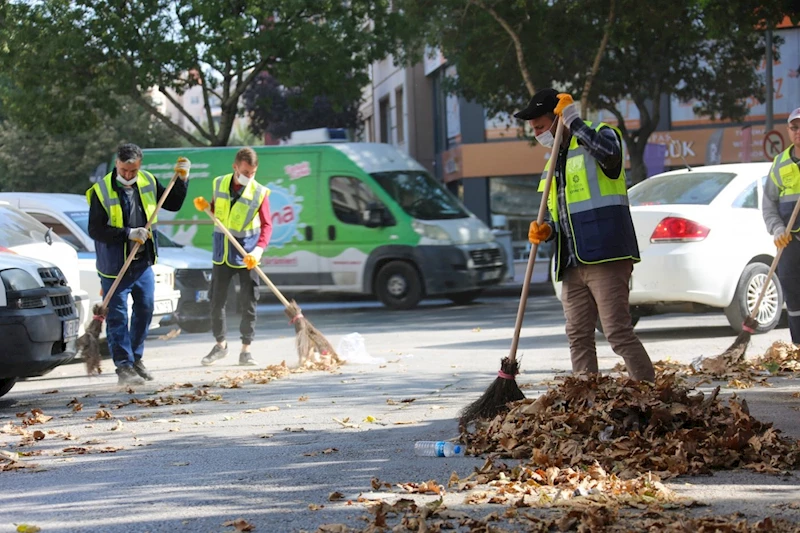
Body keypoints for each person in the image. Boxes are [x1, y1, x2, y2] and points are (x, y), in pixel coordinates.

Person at [515, 88, 655, 382]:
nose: (537, 133)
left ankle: (651, 395)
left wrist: (574, 121)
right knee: (577, 335)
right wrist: (546, 230)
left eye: (541, 126)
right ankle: (585, 398)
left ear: (558, 118)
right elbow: (557, 217)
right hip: (570, 263)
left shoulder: (601, 135)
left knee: (617, 332)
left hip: (606, 253)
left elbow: (611, 156)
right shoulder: (552, 163)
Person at [87, 143, 189, 385]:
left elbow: (172, 203)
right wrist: (128, 232)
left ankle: (135, 359)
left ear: (139, 165)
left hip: (142, 262)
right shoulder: (101, 191)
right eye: (123, 170)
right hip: (114, 265)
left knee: (145, 309)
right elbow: (95, 230)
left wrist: (183, 179)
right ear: (117, 165)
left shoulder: (148, 181)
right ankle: (123, 366)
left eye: (132, 170)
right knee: (118, 316)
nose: (128, 175)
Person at [193, 147, 272, 366]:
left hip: (247, 255)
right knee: (216, 301)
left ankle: (246, 350)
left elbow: (267, 225)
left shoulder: (260, 192)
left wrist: (258, 251)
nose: (249, 177)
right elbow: (218, 212)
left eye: (253, 173)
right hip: (222, 253)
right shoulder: (219, 183)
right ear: (235, 167)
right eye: (245, 172)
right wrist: (207, 207)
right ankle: (220, 345)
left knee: (249, 302)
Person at [763, 107, 800, 343]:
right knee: (793, 295)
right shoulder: (779, 164)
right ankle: (798, 347)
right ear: (788, 131)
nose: (799, 132)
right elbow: (769, 206)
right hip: (790, 241)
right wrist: (777, 230)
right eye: (794, 128)